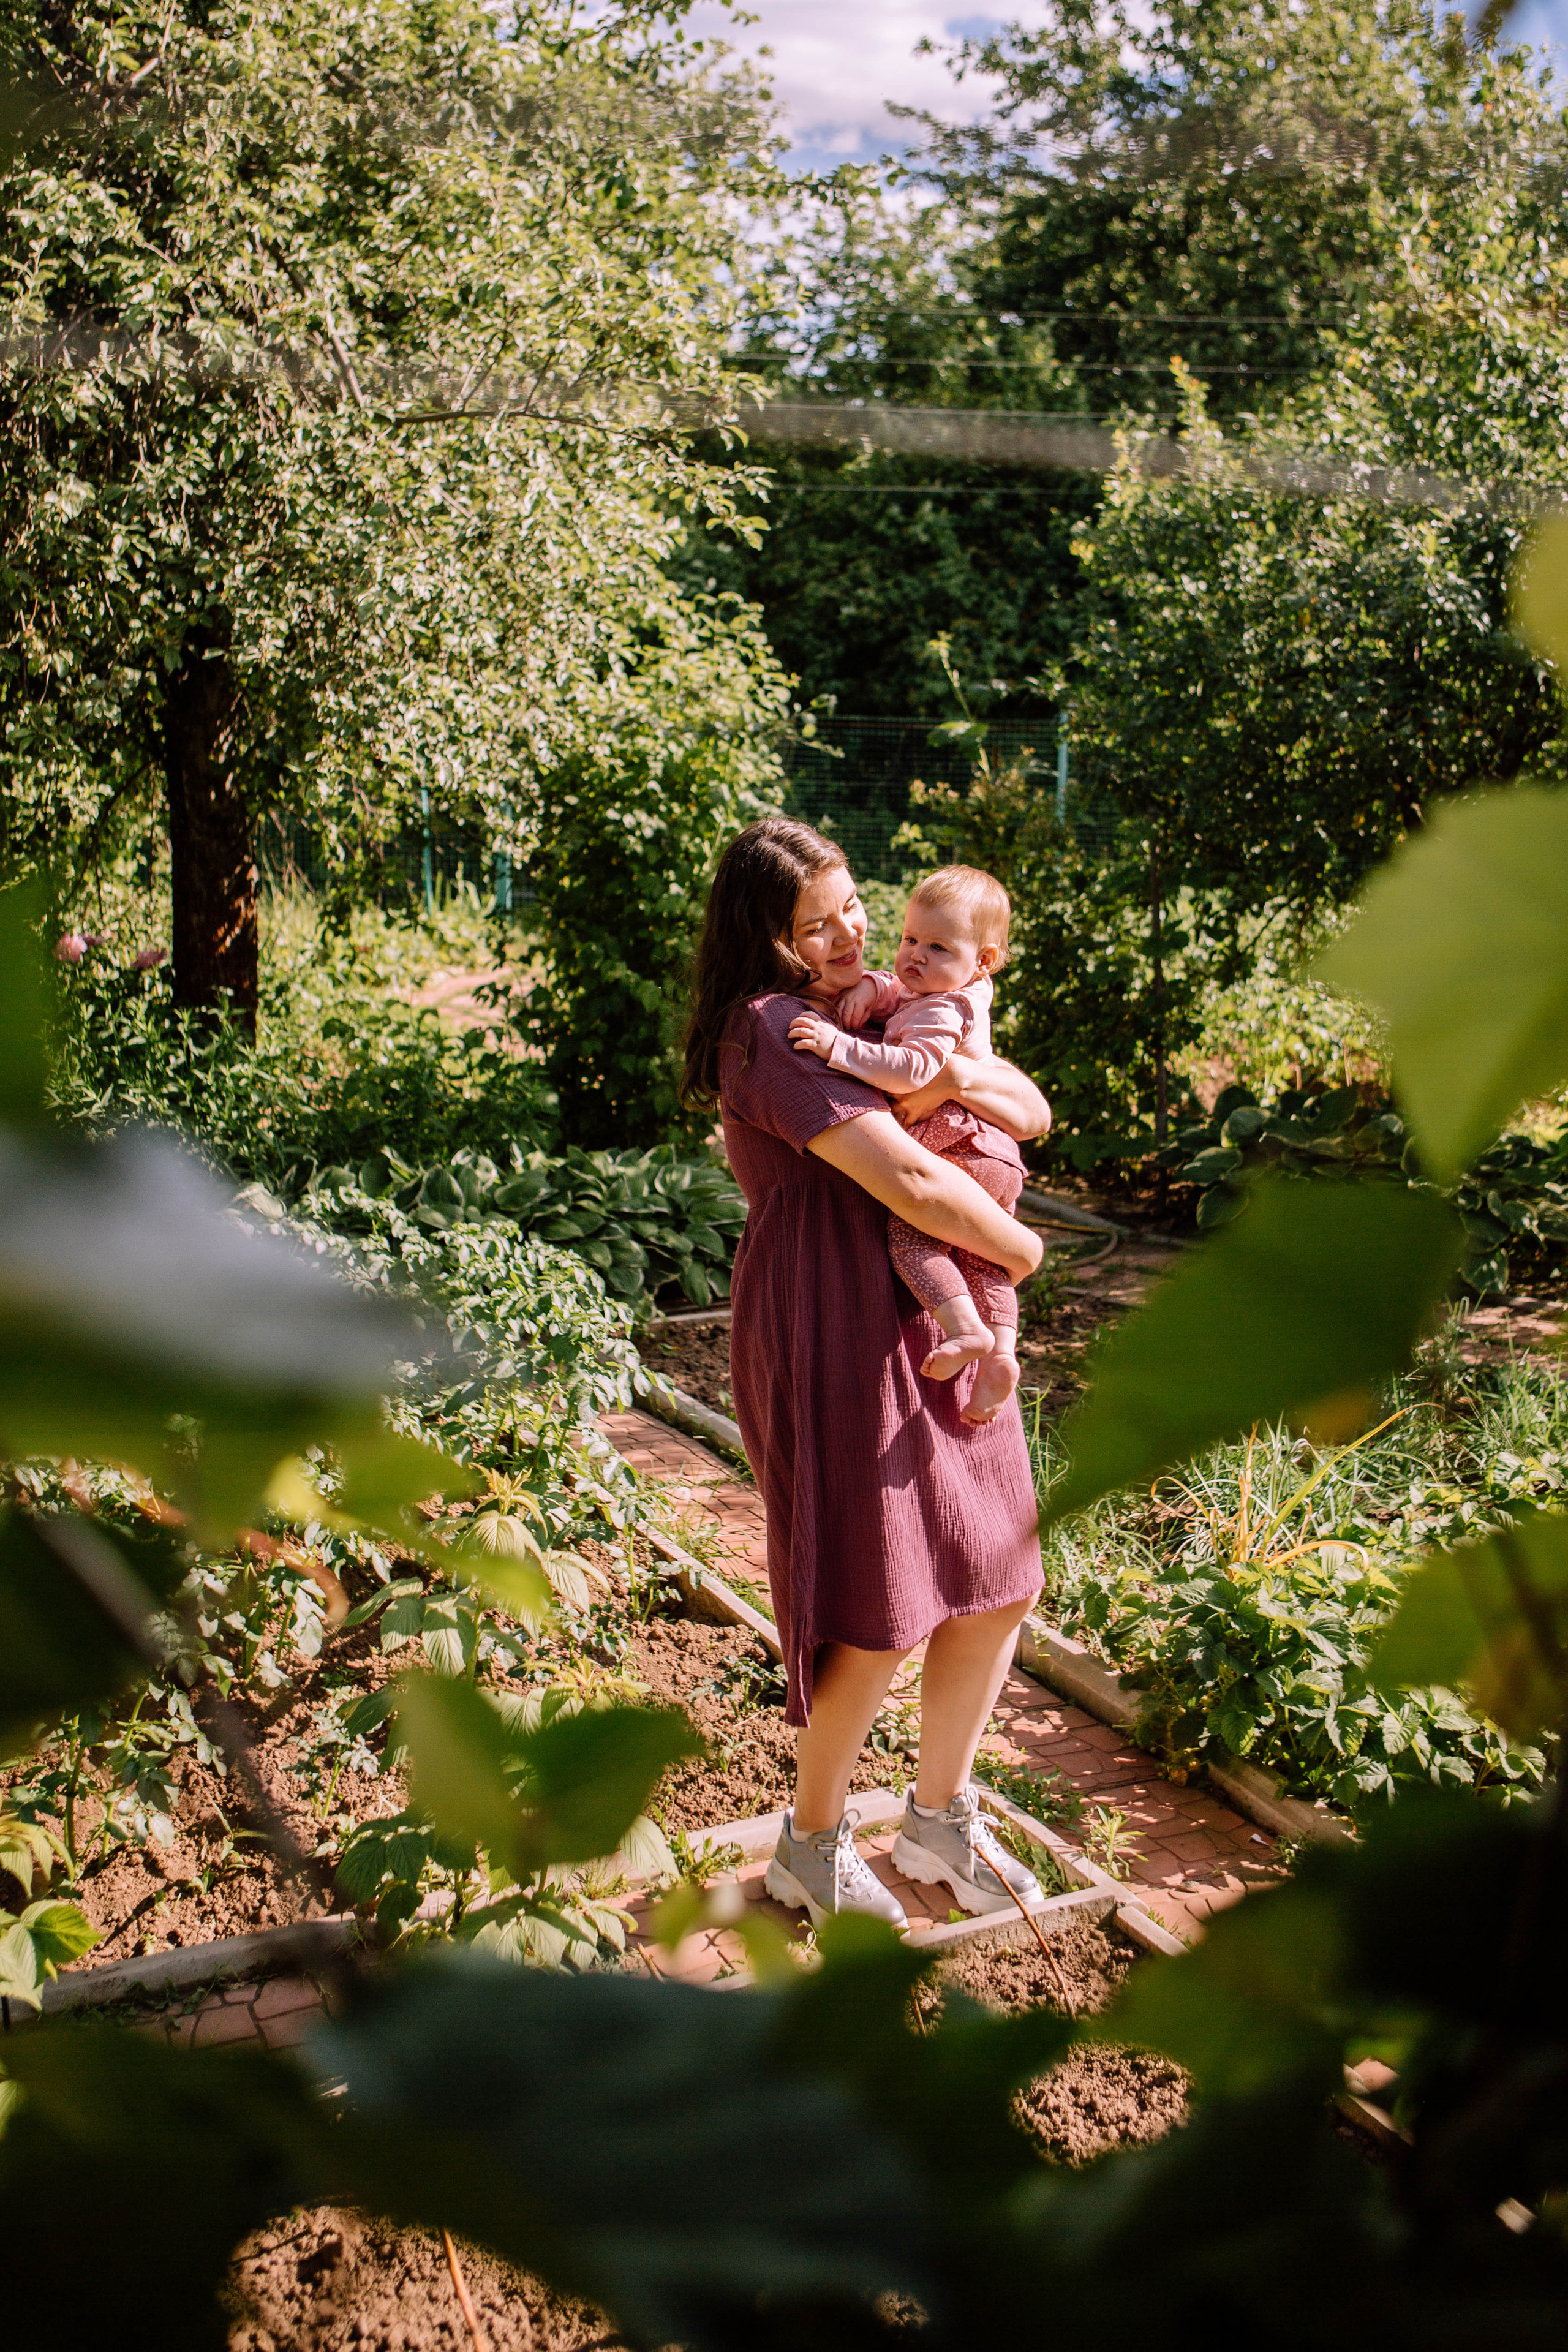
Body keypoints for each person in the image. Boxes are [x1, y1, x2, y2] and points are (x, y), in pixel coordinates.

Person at [680, 816, 1052, 1934]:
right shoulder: (771, 1031)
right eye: (816, 926)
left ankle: (938, 1819)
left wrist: (974, 1079)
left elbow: (1022, 1101)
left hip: (932, 1311)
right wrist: (1024, 1250)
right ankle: (811, 1843)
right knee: (878, 1605)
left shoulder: (882, 1003)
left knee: (1000, 1575)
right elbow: (912, 1185)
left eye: (852, 908)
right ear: (766, 940)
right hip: (834, 1316)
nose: (849, 937)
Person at [785, 863, 1024, 1424]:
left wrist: (836, 1046)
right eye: (910, 938)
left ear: (984, 960)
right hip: (994, 1151)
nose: (915, 956)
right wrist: (873, 986)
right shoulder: (948, 990)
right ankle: (1002, 1355)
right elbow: (902, 993)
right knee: (982, 1256)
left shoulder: (944, 1008)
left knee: (913, 1240)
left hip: (956, 1143)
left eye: (937, 947)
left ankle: (965, 1329)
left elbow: (913, 1069)